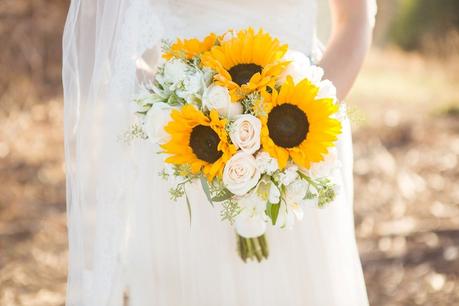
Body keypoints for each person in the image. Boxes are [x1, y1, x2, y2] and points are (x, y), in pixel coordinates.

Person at [62, 0, 376, 305]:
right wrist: (171, 99)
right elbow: (103, 26)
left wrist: (302, 118)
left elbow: (354, 20)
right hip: (183, 144)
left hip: (298, 148)